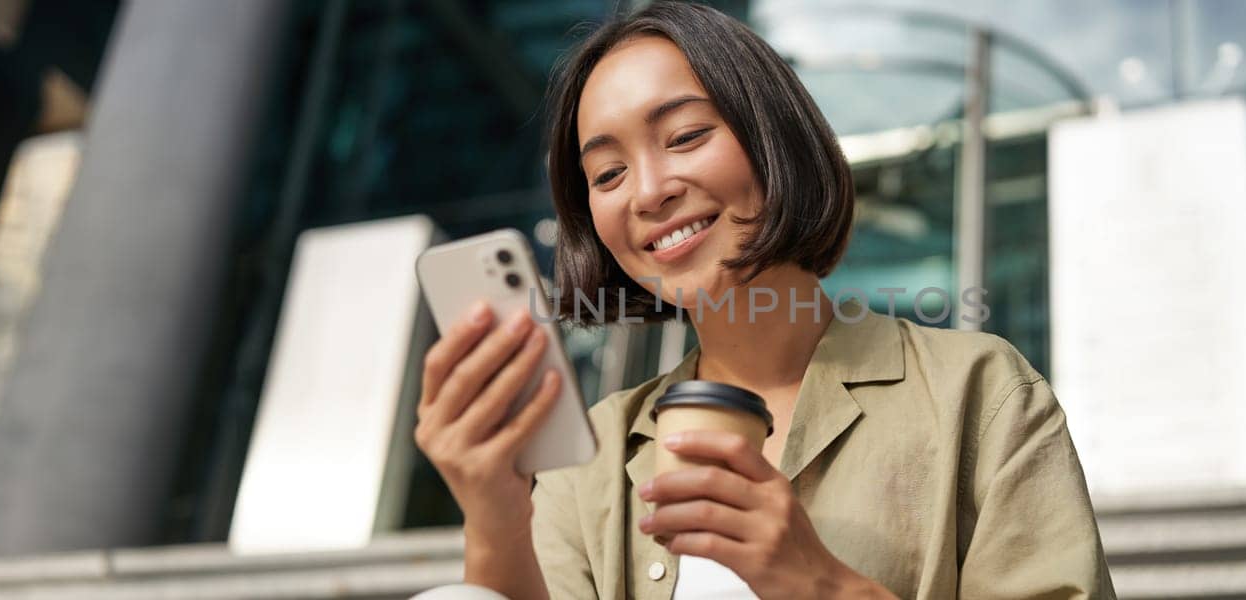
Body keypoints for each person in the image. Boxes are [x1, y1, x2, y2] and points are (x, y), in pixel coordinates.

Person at [411, 2, 1114, 599]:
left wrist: (824, 585)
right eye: (608, 172)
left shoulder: (980, 394)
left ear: (774, 138)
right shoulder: (588, 460)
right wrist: (495, 517)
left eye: (685, 137)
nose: (649, 191)